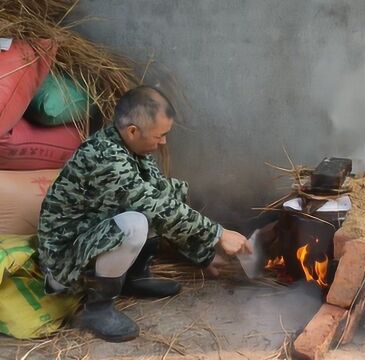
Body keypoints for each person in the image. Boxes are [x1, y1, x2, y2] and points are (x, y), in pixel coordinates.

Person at [37, 85, 250, 342]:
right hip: (64, 263)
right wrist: (218, 235)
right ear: (133, 131)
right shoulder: (106, 157)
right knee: (136, 222)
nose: (164, 142)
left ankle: (133, 278)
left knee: (167, 193)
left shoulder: (132, 149)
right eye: (159, 135)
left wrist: (203, 253)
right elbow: (154, 207)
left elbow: (163, 198)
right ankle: (97, 308)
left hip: (89, 240)